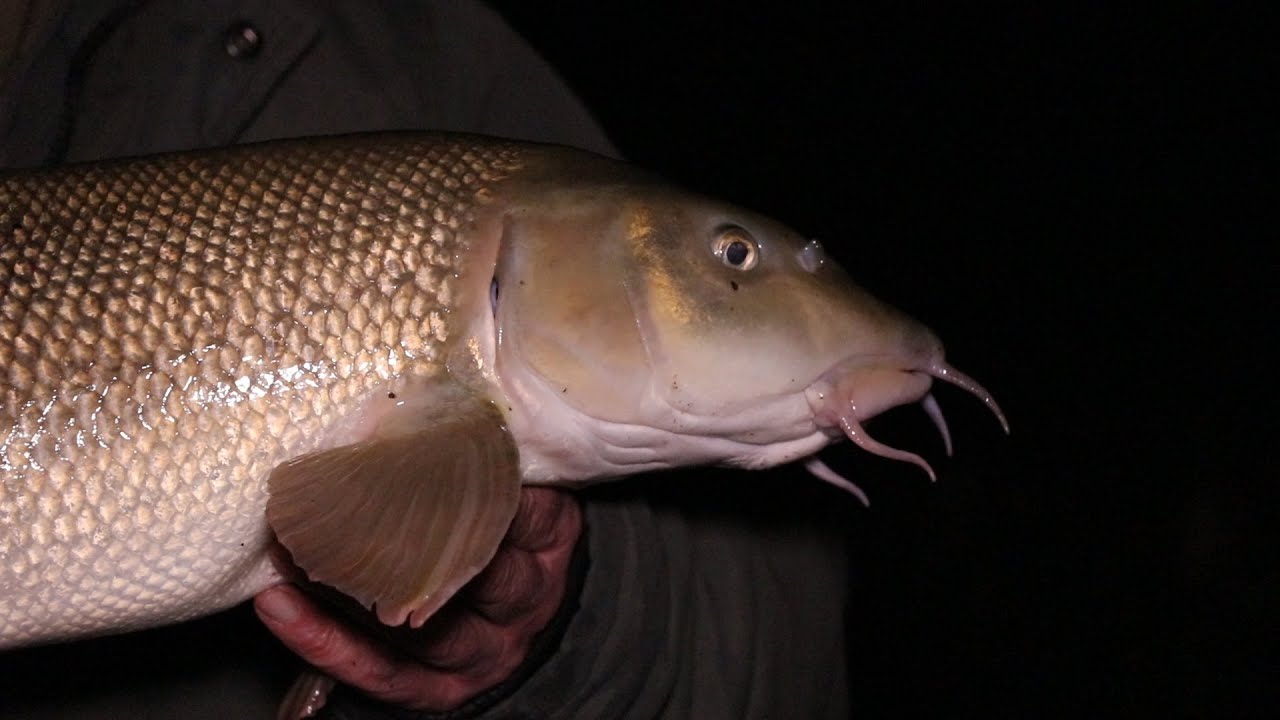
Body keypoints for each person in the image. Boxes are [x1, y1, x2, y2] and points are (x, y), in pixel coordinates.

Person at [0, 2, 851, 718]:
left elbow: (781, 645)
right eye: (732, 257)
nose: (735, 271)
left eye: (730, 258)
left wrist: (574, 618)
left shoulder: (388, 50)